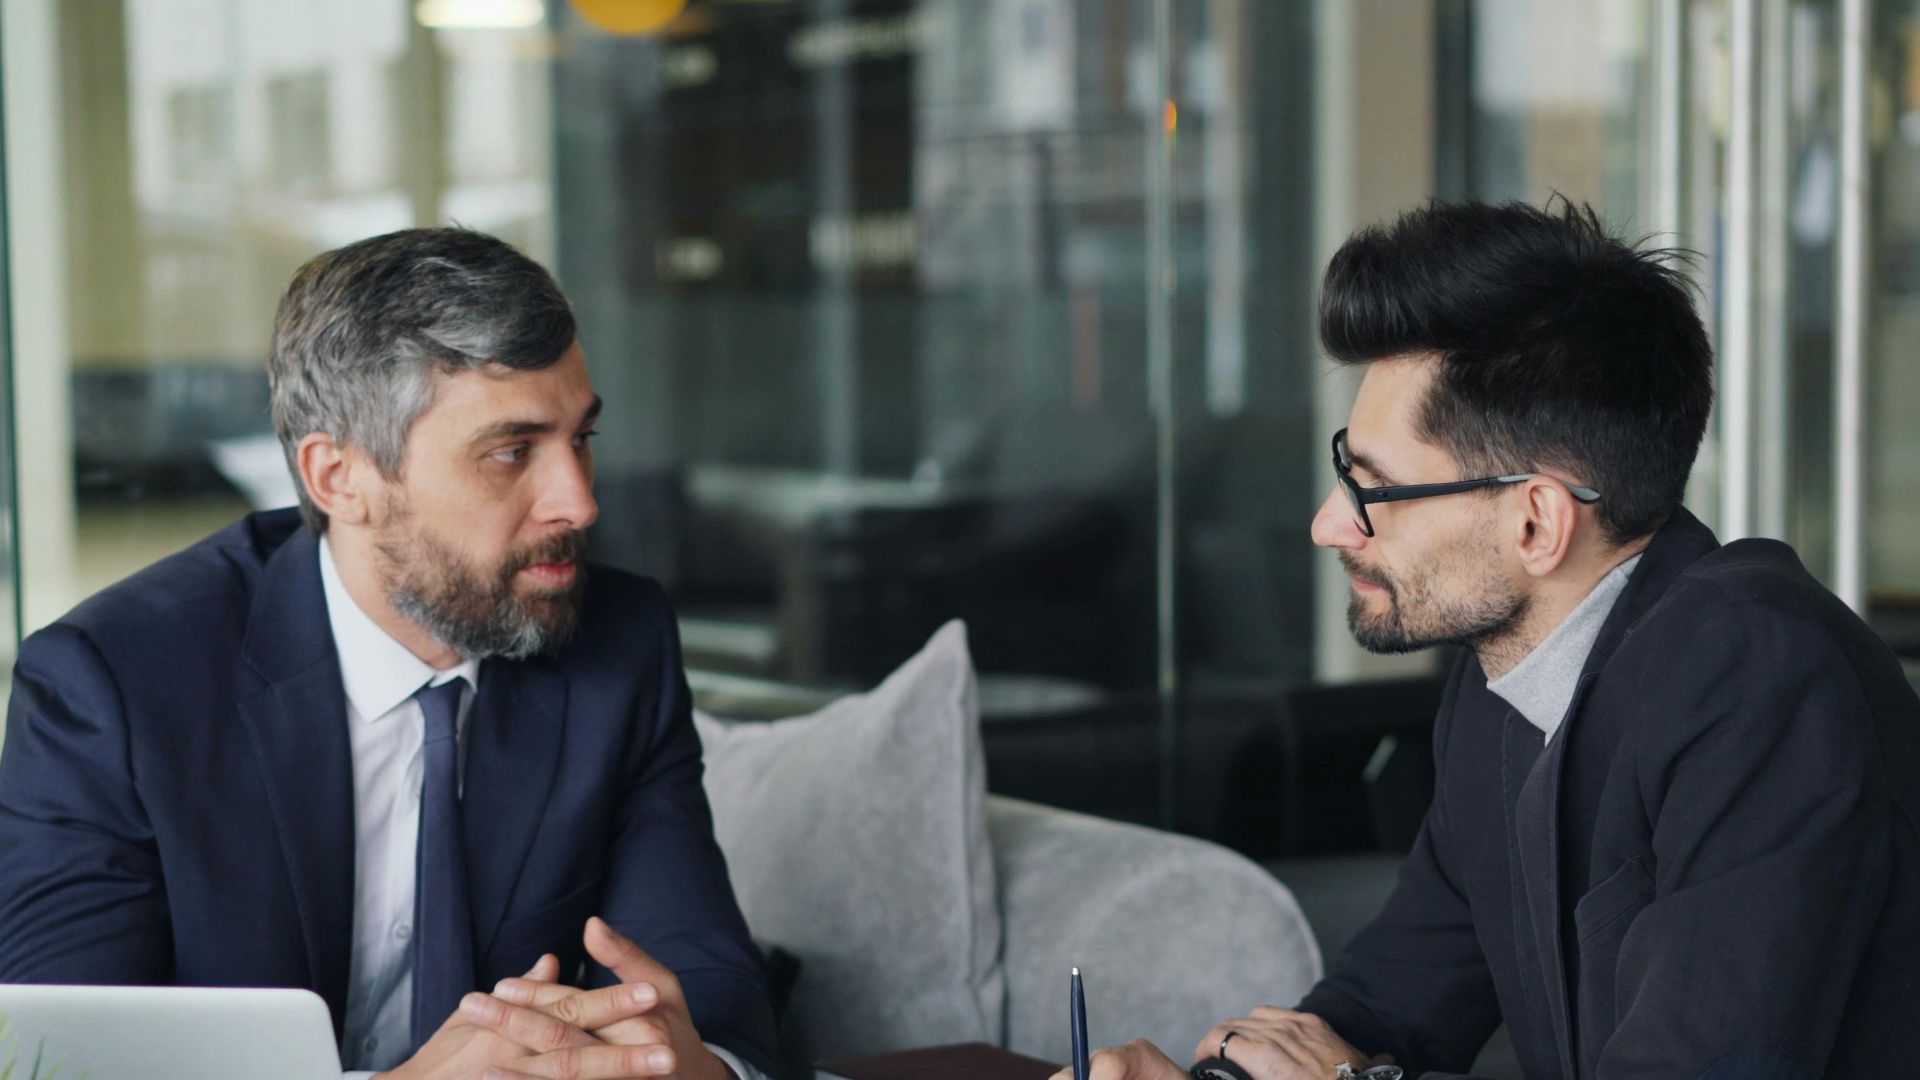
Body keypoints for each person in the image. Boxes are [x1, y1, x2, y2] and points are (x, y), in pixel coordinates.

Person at [1066, 200, 1919, 1080]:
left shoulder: (1758, 681)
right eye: (1343, 472)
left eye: (1375, 490)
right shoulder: (1503, 683)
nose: (1332, 525)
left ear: (1536, 521)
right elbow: (1386, 1002)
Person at [0, 228, 778, 1080]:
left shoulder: (619, 643)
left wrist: (697, 1068)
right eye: (513, 452)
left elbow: (701, 983)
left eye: (580, 438)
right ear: (341, 480)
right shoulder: (111, 685)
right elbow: (57, 1066)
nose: (579, 501)